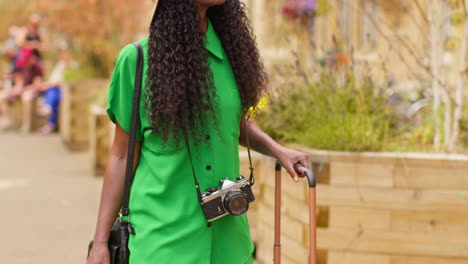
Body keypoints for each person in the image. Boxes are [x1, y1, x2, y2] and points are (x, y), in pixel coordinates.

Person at [87, 1, 309, 263]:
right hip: (162, 242)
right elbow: (121, 156)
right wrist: (100, 242)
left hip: (228, 244)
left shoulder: (234, 56)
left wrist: (278, 150)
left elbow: (234, 123)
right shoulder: (137, 62)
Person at [0, 50, 44, 131]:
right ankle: (6, 121)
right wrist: (17, 89)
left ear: (31, 58)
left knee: (26, 97)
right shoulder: (20, 65)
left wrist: (23, 89)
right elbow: (19, 81)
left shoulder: (37, 67)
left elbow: (36, 84)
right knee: (1, 96)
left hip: (31, 91)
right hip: (22, 90)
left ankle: (26, 125)